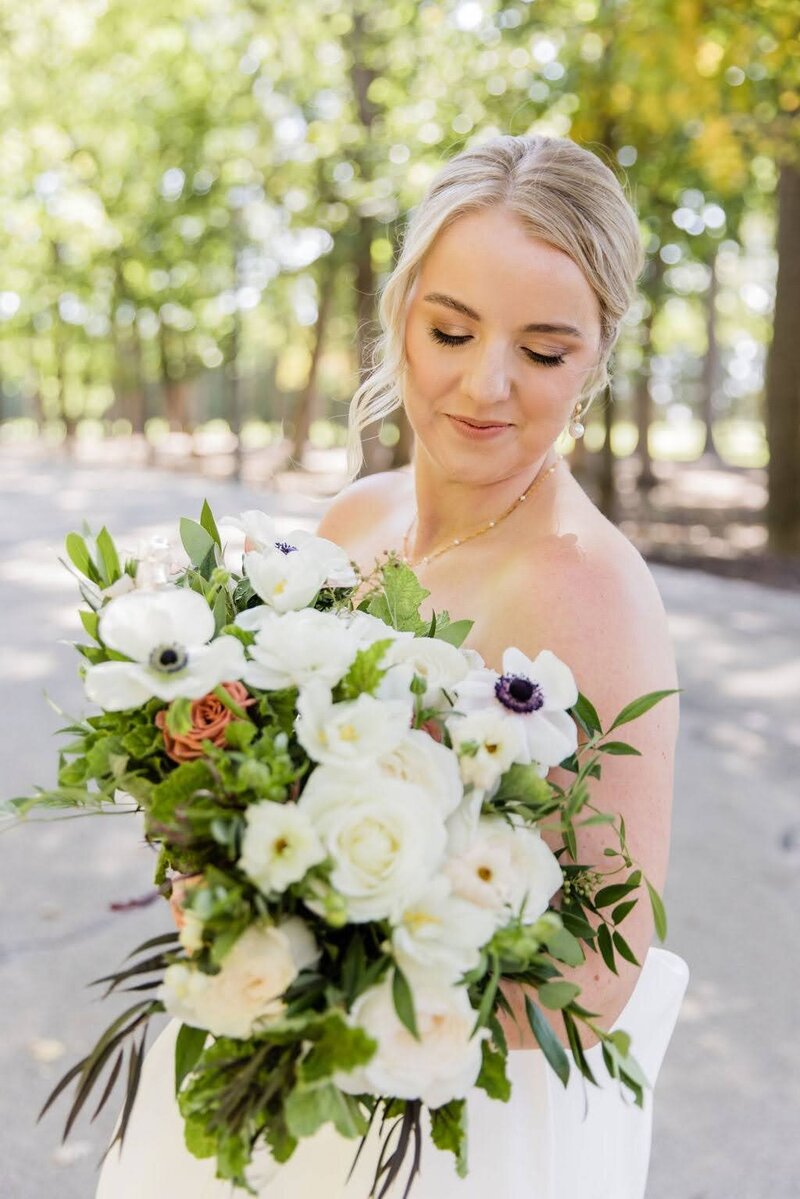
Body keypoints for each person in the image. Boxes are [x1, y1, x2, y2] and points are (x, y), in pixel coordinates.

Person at [96, 133, 689, 1198]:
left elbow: (598, 974)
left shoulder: (588, 588)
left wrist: (349, 1001)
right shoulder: (352, 518)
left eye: (543, 352)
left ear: (596, 357)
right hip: (263, 1067)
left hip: (442, 1130)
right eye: (450, 329)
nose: (484, 383)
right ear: (400, 311)